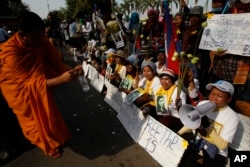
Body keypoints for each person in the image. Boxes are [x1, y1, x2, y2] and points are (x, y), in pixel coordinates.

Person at [0, 11, 83, 159]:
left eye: (42, 35)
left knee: (46, 110)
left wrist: (71, 71)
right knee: (34, 121)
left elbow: (55, 63)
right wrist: (60, 80)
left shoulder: (42, 41)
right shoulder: (12, 53)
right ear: (23, 35)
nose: (41, 40)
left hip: (38, 82)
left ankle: (52, 134)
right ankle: (47, 144)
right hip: (20, 92)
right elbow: (27, 85)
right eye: (36, 37)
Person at [178, 80, 239, 167]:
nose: (214, 98)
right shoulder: (203, 103)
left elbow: (222, 146)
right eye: (213, 93)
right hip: (198, 142)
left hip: (216, 151)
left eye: (220, 96)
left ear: (229, 99)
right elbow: (190, 123)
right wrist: (179, 133)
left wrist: (207, 126)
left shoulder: (232, 117)